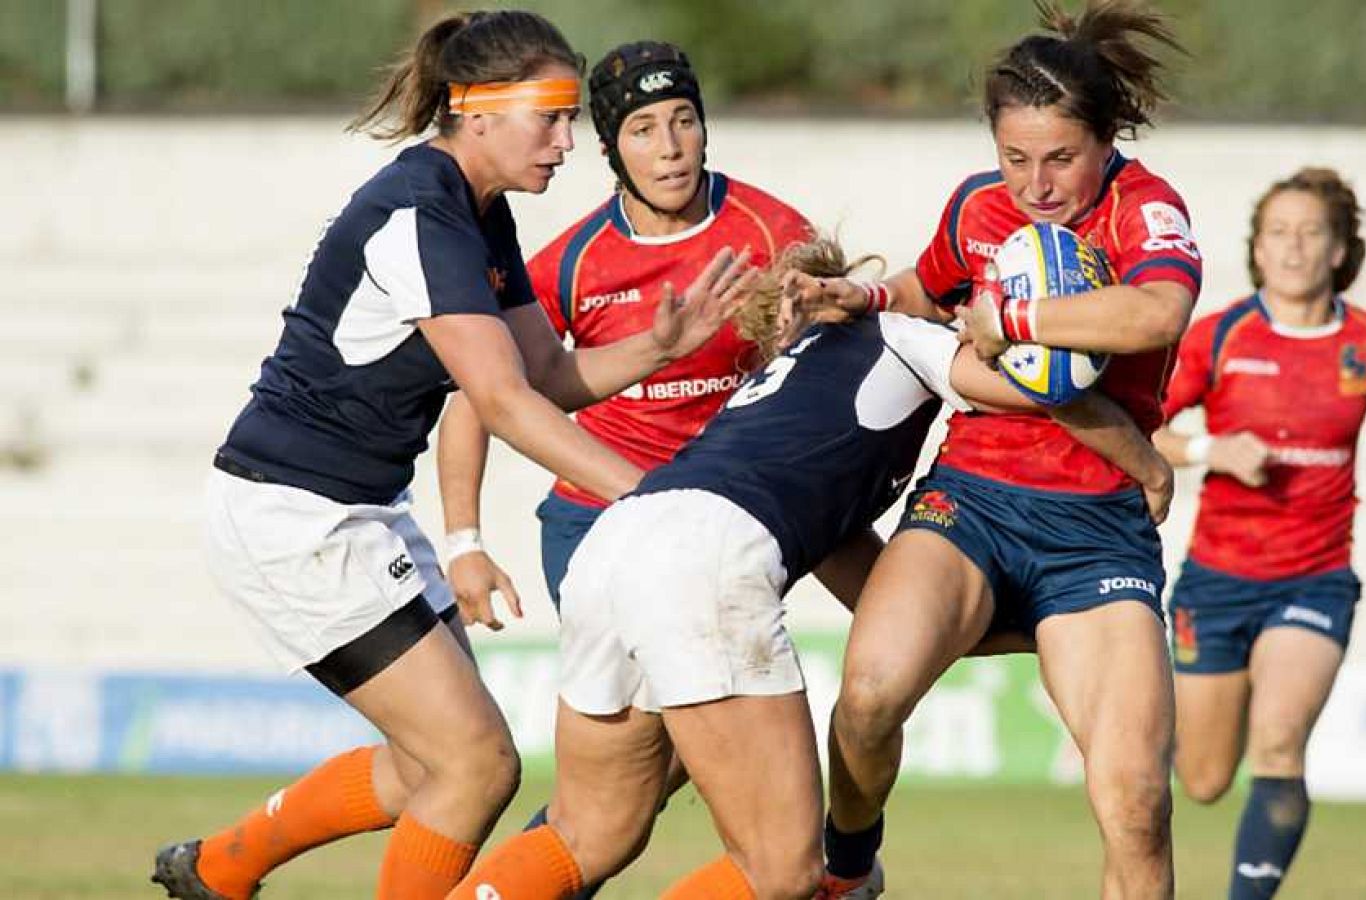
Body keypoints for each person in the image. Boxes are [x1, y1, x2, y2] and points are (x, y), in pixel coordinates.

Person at [149, 12, 753, 900]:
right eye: (548, 116)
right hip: (294, 515)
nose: (566, 140)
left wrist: (656, 349)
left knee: (425, 768)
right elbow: (500, 403)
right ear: (476, 111)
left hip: (348, 511)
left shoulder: (478, 210)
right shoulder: (421, 214)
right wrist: (655, 497)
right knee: (474, 766)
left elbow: (540, 372)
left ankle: (218, 869)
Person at [443, 237, 1174, 900]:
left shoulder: (778, 407)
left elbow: (893, 604)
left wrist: (1038, 622)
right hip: (704, 558)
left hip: (621, 538)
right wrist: (1133, 447)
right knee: (784, 869)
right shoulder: (892, 334)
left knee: (587, 831)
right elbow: (1043, 390)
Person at [788, 2, 1199, 897]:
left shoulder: (1146, 212)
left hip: (1096, 533)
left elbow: (1155, 314)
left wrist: (1011, 319)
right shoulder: (976, 207)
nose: (1036, 185)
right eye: (1015, 159)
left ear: (1107, 137)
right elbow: (927, 291)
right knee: (868, 697)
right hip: (971, 500)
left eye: (1061, 159)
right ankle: (849, 872)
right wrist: (854, 298)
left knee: (1135, 799)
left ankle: (1032, 625)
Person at [432, 39, 814, 900]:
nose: (671, 146)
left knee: (623, 797)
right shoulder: (572, 262)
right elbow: (476, 399)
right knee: (658, 794)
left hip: (723, 529)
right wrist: (462, 540)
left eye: (685, 121)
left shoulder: (770, 232)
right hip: (598, 528)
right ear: (611, 151)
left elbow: (825, 365)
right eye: (645, 129)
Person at [1152, 166, 1366, 899]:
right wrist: (1208, 450)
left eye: (1311, 232)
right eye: (1276, 232)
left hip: (1314, 577)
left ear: (1341, 250)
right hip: (1217, 577)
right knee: (1206, 778)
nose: (1292, 247)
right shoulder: (1220, 336)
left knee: (1280, 742)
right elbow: (1142, 427)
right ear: (1256, 248)